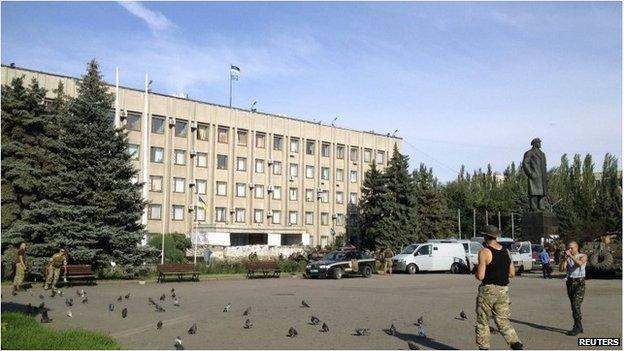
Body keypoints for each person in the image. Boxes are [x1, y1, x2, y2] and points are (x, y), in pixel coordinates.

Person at [475, 225, 523, 350]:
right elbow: (512, 274)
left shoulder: (484, 252)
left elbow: (480, 276)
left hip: (488, 290)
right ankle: (516, 345)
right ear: (497, 236)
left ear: (485, 237)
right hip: (503, 290)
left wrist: (477, 270)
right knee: (503, 321)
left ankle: (484, 348)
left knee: (483, 321)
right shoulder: (506, 251)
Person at [561, 241, 588, 336]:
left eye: (571, 248)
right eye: (568, 248)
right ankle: (579, 325)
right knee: (573, 306)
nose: (569, 250)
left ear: (577, 247)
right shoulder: (568, 257)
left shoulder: (583, 256)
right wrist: (564, 260)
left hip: (579, 282)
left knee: (575, 304)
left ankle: (577, 326)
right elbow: (562, 269)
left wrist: (571, 256)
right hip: (570, 282)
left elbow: (580, 264)